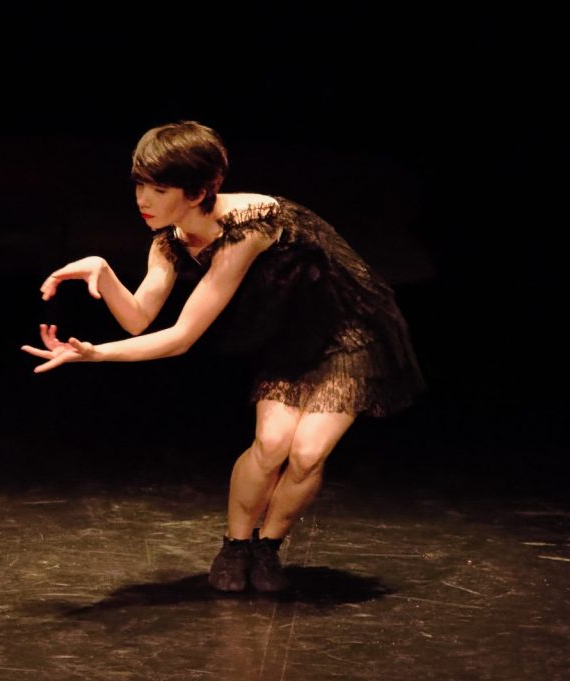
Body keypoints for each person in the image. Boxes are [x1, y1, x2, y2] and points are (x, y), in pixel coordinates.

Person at [22, 121, 425, 592]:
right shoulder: (169, 240)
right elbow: (138, 318)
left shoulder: (246, 231)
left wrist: (98, 356)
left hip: (349, 329)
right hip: (289, 334)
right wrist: (103, 271)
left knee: (307, 452)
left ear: (198, 193)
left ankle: (267, 548)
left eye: (159, 190)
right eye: (139, 185)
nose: (142, 200)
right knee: (271, 445)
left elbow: (182, 337)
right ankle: (236, 546)